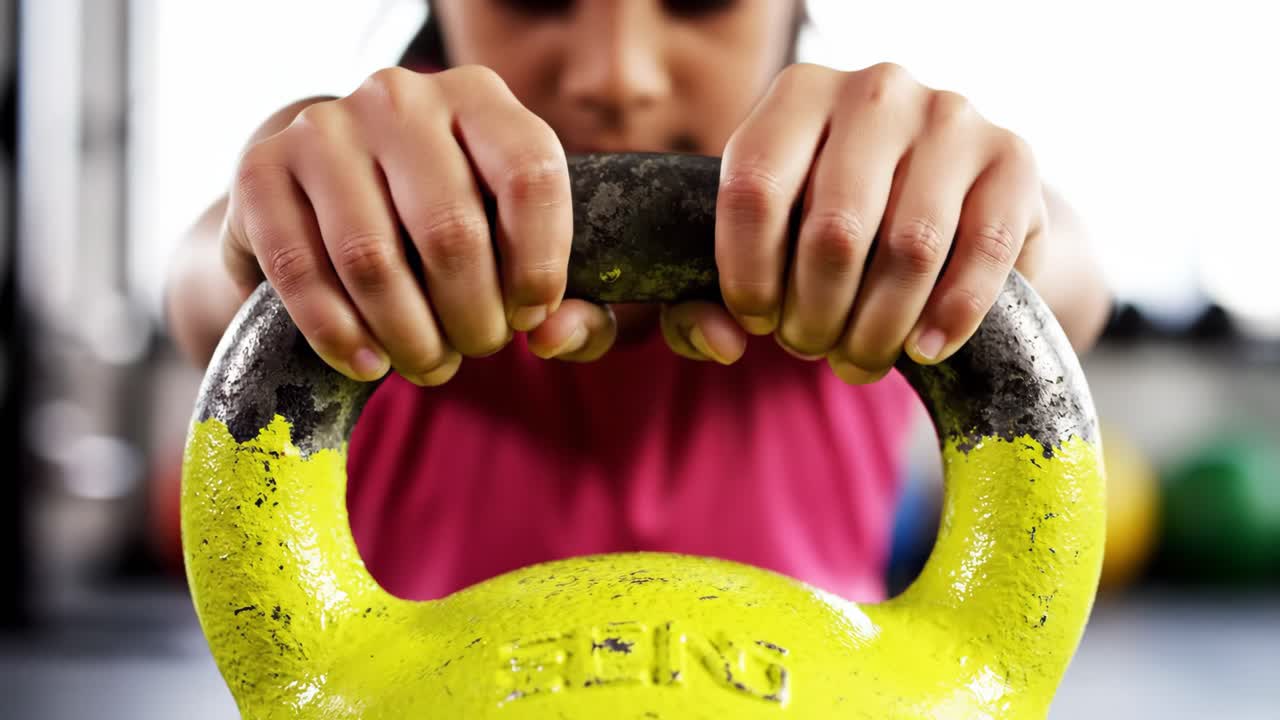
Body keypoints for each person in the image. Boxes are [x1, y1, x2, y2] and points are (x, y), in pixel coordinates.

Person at [165, 0, 1110, 603]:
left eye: (700, 0)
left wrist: (993, 229)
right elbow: (205, 292)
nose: (618, 76)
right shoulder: (370, 212)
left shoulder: (857, 224)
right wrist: (285, 222)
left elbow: (1071, 280)